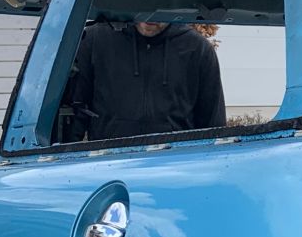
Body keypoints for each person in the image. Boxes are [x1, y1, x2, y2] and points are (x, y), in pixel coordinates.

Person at [59, 15, 226, 142]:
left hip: (175, 163)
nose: (150, 17)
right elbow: (75, 111)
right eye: (145, 9)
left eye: (159, 8)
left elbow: (212, 122)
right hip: (109, 162)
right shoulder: (95, 39)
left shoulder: (197, 49)